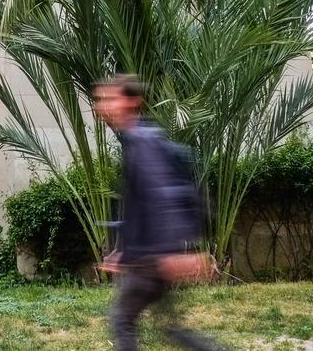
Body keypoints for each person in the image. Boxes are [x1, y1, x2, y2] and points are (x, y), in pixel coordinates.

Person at [94, 75, 219, 351]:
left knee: (123, 320)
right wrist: (123, 252)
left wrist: (169, 252)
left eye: (110, 98)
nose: (102, 106)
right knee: (171, 328)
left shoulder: (141, 141)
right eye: (100, 100)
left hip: (154, 258)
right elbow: (139, 205)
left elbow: (161, 196)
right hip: (151, 256)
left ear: (132, 101)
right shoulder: (138, 139)